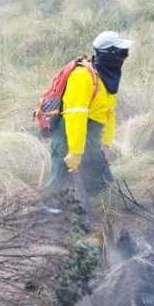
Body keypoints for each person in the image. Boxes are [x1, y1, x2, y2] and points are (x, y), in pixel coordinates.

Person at [48, 31, 132, 199]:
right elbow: (75, 117)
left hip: (92, 139)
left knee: (103, 185)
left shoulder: (106, 77)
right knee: (59, 186)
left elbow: (108, 114)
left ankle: (97, 210)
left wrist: (106, 143)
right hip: (69, 137)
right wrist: (75, 152)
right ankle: (49, 216)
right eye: (122, 53)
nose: (124, 58)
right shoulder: (83, 77)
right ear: (110, 54)